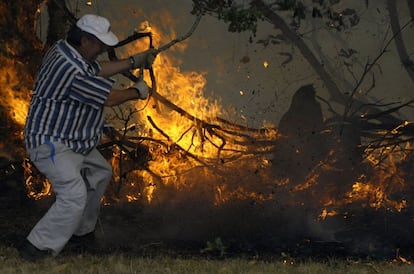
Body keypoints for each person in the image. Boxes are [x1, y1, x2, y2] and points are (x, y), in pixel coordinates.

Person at [20, 14, 157, 261]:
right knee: (73, 196)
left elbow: (97, 68)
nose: (103, 49)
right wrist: (137, 91)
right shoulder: (70, 68)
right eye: (100, 44)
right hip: (51, 143)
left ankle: (81, 233)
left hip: (71, 141)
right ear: (84, 41)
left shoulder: (65, 49)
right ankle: (37, 248)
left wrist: (133, 61)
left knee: (100, 172)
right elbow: (110, 98)